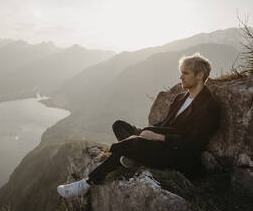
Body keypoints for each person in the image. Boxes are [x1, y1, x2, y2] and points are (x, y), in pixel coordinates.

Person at [57, 53, 221, 198]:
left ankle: (88, 182)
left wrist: (158, 137)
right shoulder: (180, 98)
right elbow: (165, 124)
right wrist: (146, 131)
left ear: (200, 75)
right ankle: (133, 155)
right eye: (181, 73)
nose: (181, 77)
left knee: (134, 141)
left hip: (178, 155)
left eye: (185, 73)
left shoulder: (209, 106)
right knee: (119, 126)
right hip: (161, 145)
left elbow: (194, 143)